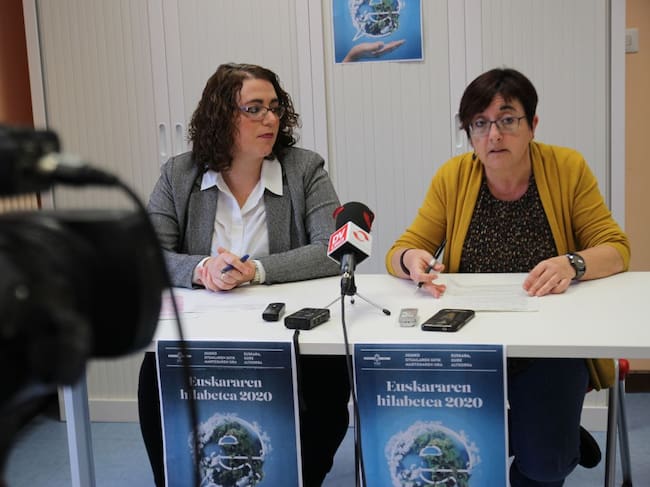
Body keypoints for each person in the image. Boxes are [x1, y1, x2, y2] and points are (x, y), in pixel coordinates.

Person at [385, 67, 630, 486]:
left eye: (507, 120)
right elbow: (401, 250)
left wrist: (572, 263)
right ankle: (554, 433)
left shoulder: (567, 168)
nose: (494, 135)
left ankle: (551, 441)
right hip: (469, 341)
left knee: (545, 465)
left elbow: (616, 248)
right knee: (440, 445)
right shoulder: (453, 177)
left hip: (551, 341)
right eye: (480, 124)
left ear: (532, 124)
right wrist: (412, 259)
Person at [138, 63, 350, 487]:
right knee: (155, 372)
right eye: (254, 109)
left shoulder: (304, 169)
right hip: (203, 331)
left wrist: (255, 271)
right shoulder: (179, 175)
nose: (270, 119)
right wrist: (202, 269)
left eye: (275, 107)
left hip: (285, 331)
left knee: (328, 381)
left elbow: (333, 251)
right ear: (221, 116)